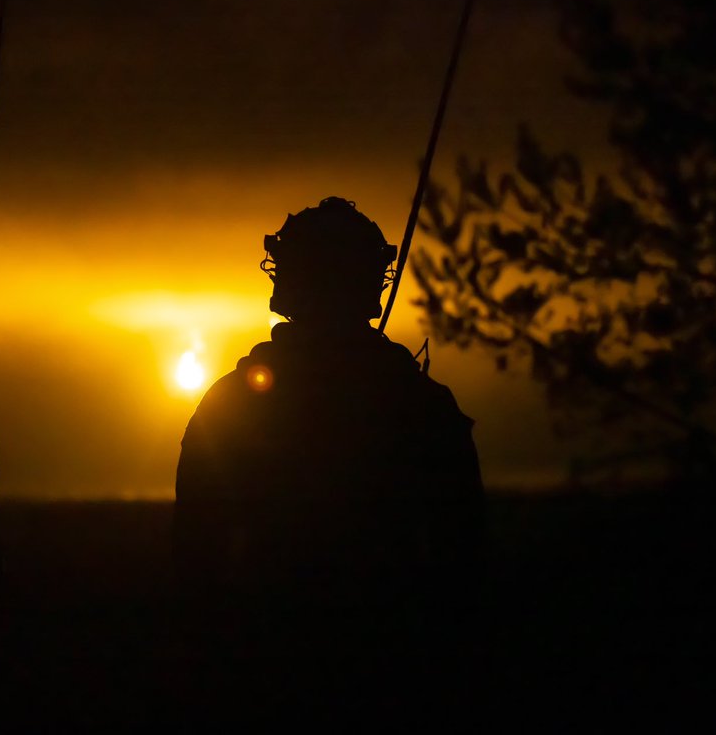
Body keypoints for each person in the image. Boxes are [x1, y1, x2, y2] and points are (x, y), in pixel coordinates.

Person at [174, 196, 484, 609]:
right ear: (373, 283)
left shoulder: (229, 404)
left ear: (286, 285)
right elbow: (464, 552)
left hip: (265, 636)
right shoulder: (422, 404)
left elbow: (195, 549)